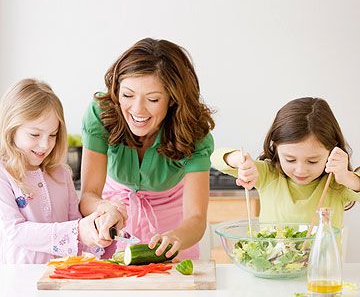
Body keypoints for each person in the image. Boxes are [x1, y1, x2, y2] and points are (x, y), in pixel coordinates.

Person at [79, 38, 215, 259]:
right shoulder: (101, 114)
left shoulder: (194, 133)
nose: (137, 109)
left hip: (174, 229)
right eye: (127, 95)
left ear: (172, 99)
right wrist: (104, 209)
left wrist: (176, 238)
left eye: (152, 99)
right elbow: (88, 196)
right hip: (116, 224)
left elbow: (196, 219)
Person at [211, 97, 360, 230]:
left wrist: (347, 177)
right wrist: (239, 159)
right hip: (271, 261)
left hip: (323, 262)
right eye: (290, 160)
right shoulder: (267, 174)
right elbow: (214, 157)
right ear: (276, 147)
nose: (300, 170)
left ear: (332, 152)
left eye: (312, 161)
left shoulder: (337, 183)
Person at [0, 79, 103, 264]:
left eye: (53, 135)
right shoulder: (4, 175)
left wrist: (99, 235)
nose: (45, 144)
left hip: (63, 276)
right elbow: (15, 231)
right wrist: (77, 229)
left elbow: (76, 223)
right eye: (35, 134)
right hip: (20, 280)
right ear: (11, 129)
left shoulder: (61, 173)